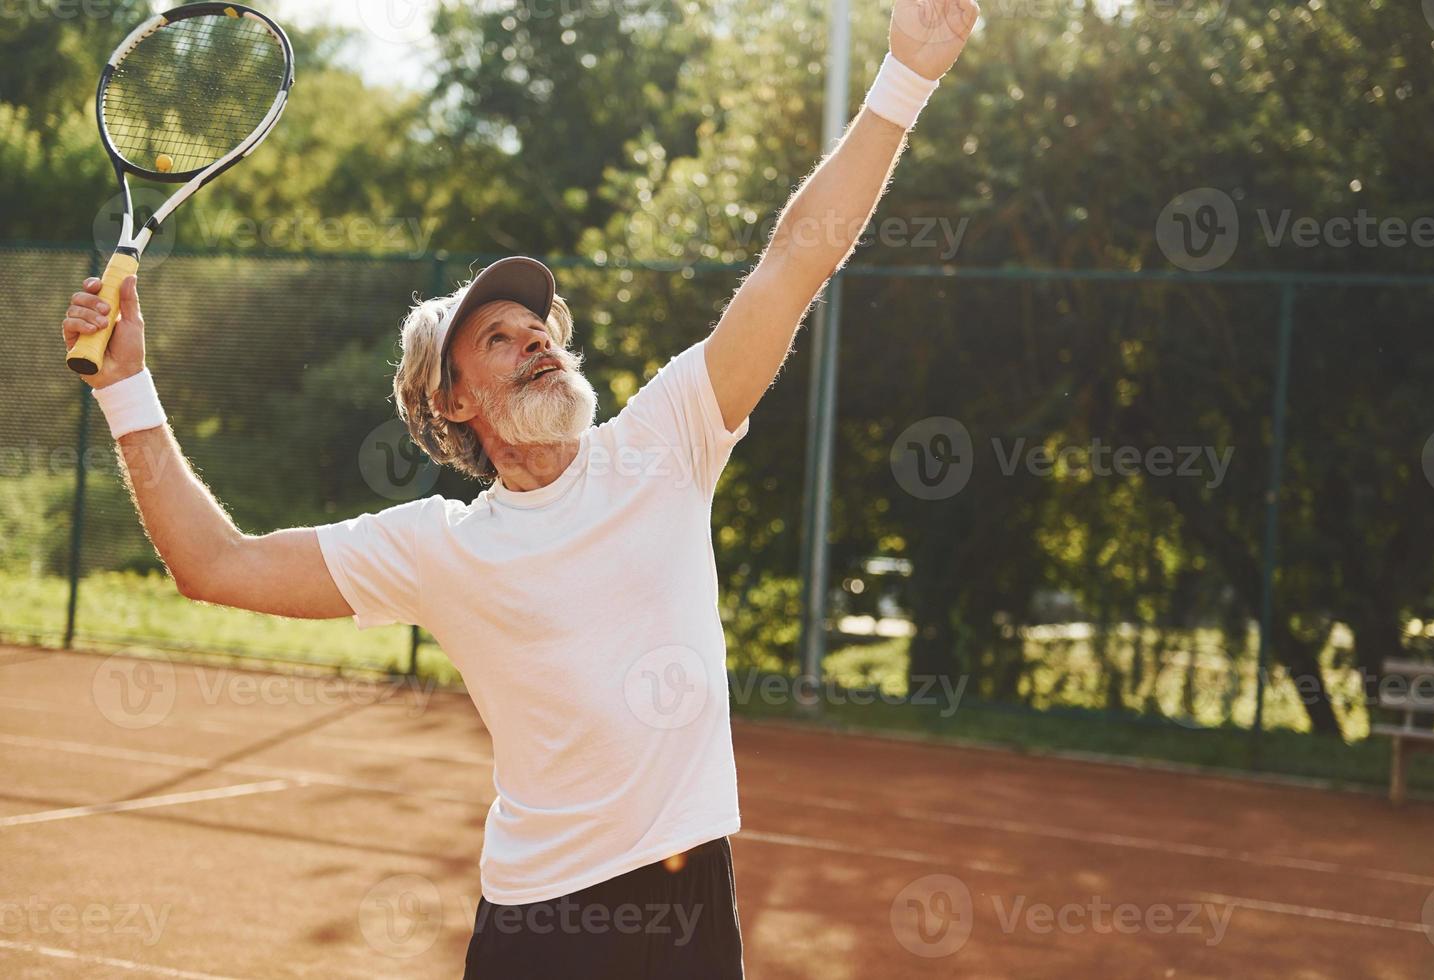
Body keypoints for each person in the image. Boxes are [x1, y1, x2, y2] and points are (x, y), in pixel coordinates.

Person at [58, 2, 977, 975]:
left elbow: (797, 259)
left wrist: (904, 79)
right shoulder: (439, 546)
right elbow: (215, 563)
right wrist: (126, 386)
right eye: (499, 336)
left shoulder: (666, 439)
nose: (537, 337)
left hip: (693, 905)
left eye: (539, 327)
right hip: (541, 932)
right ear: (452, 399)